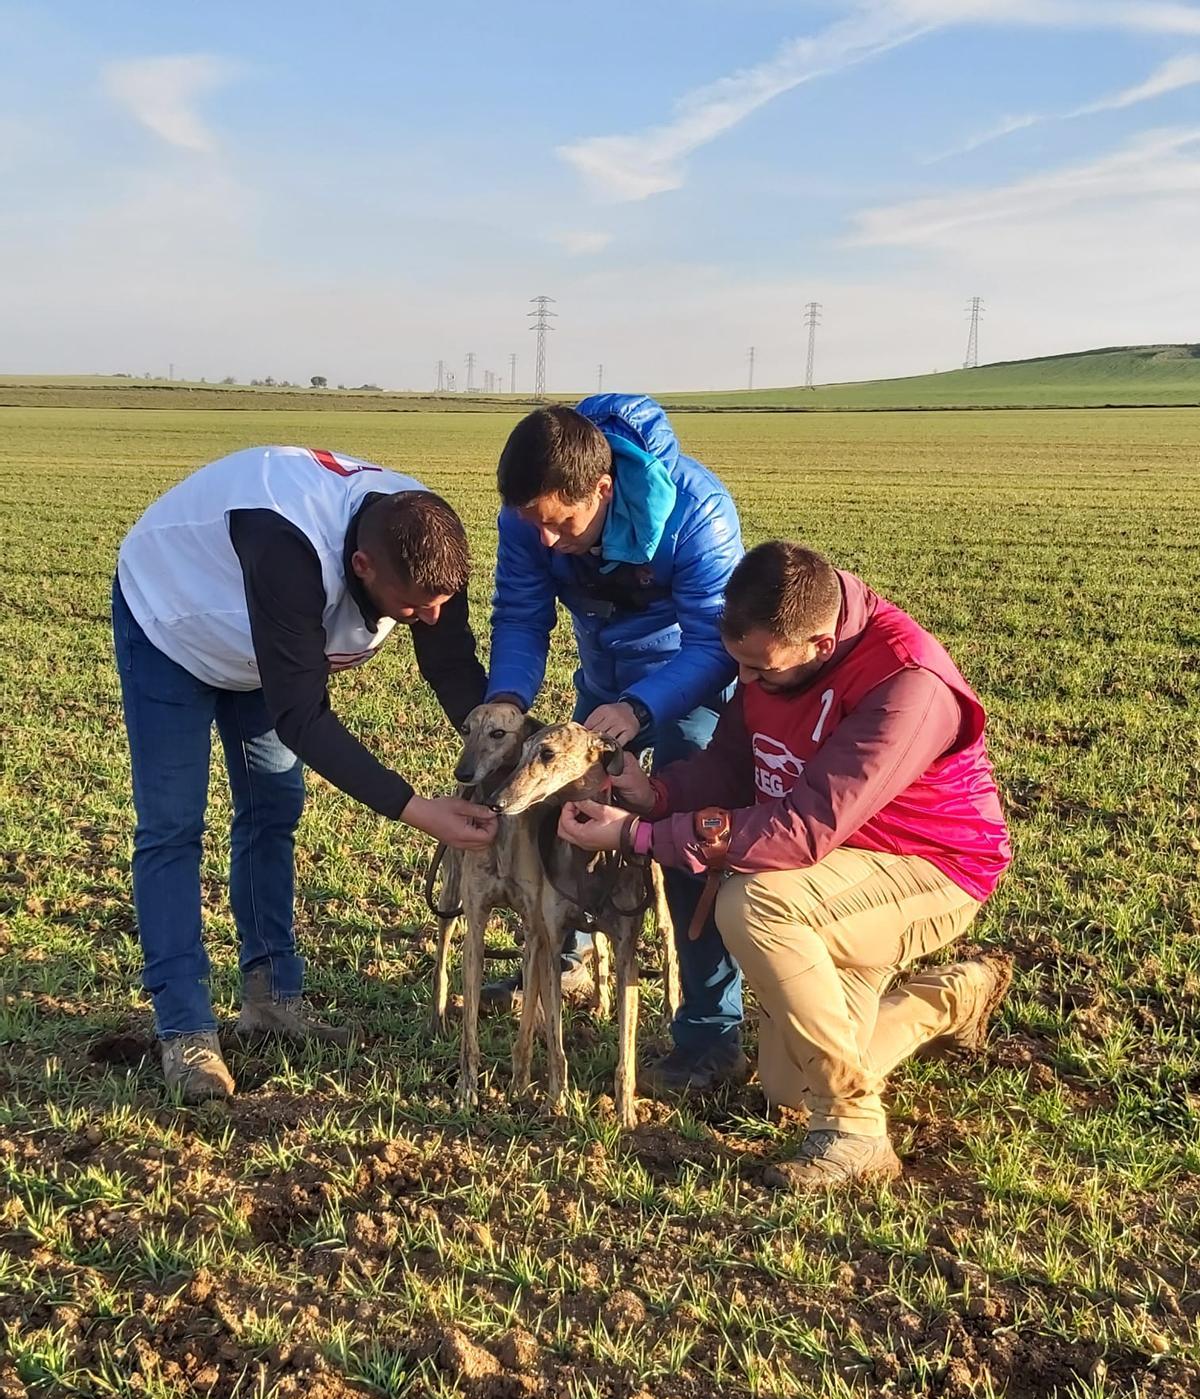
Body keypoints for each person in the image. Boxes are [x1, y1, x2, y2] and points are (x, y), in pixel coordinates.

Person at [557, 541, 1013, 1190]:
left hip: (928, 870)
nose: (745, 683)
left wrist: (638, 836)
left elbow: (799, 831)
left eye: (760, 671)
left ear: (820, 647)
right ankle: (950, 998)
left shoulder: (907, 687)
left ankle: (854, 1131)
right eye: (738, 665)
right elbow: (730, 767)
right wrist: (652, 796)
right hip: (836, 874)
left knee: (757, 901)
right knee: (791, 1091)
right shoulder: (774, 653)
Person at [112, 444, 497, 1103]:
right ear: (361, 565)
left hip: (266, 644)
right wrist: (414, 807)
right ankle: (184, 1029)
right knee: (173, 826)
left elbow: (453, 668)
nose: (430, 620)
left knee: (273, 810)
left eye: (442, 603)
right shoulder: (286, 548)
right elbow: (302, 718)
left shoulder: (425, 539)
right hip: (172, 626)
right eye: (412, 610)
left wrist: (513, 759)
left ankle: (270, 999)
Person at [484, 396, 745, 1084]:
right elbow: (519, 612)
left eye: (559, 524)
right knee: (570, 818)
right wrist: (509, 698)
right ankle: (565, 966)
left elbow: (717, 642)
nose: (545, 539)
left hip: (687, 685)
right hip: (604, 681)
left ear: (603, 489)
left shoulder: (698, 512)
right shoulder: (529, 519)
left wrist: (644, 707)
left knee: (687, 843)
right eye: (531, 523)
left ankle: (710, 1034)